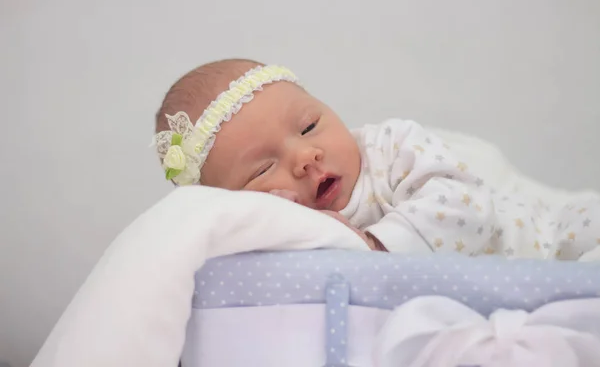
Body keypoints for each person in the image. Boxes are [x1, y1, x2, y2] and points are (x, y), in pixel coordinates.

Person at [153, 59, 599, 259]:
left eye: (309, 127)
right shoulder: (275, 230)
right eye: (262, 168)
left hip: (540, 237)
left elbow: (465, 206)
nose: (306, 157)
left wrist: (377, 245)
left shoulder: (391, 147)